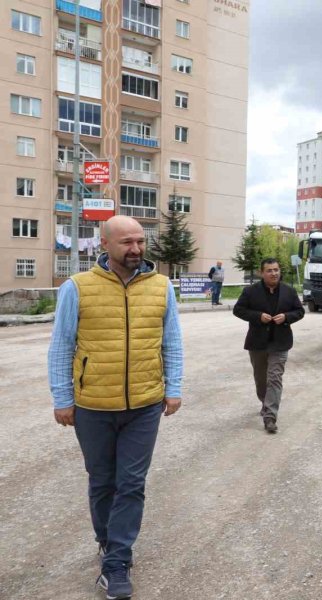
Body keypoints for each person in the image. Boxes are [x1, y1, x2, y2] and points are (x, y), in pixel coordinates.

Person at [48, 215, 183, 600]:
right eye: (126, 242)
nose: (136, 249)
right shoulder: (78, 287)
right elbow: (61, 346)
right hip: (92, 405)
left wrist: (173, 388)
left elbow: (171, 342)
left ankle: (117, 563)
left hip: (144, 404)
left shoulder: (161, 287)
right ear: (104, 244)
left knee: (132, 483)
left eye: (140, 241)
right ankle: (107, 540)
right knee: (101, 479)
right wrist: (62, 398)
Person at [233, 258, 305, 434]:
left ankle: (270, 416)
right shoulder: (251, 291)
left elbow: (300, 311)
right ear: (261, 273)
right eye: (270, 270)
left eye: (276, 270)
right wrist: (258, 316)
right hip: (257, 343)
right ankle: (265, 403)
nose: (274, 273)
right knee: (261, 379)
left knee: (275, 378)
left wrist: (286, 317)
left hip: (280, 343)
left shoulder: (289, 291)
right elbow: (238, 310)